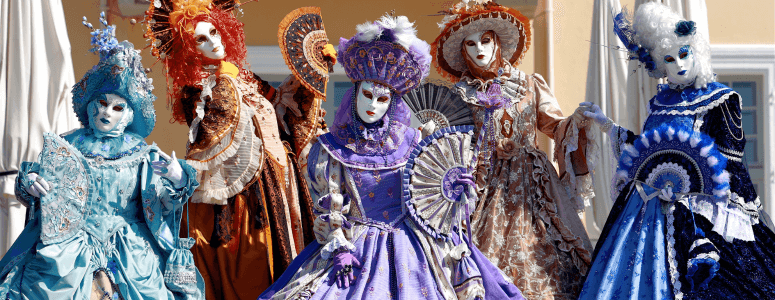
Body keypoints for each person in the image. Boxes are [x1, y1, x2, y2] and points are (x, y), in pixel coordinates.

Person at [258, 14, 524, 300]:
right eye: (368, 95)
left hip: (416, 247)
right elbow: (330, 210)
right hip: (355, 245)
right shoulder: (331, 149)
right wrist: (339, 246)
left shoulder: (413, 142)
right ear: (354, 93)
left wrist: (452, 187)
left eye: (382, 99)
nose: (373, 105)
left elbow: (426, 194)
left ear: (393, 103)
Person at [579, 2, 775, 299]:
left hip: (699, 210)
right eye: (669, 59)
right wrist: (607, 125)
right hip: (646, 207)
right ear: (659, 65)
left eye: (684, 54)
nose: (679, 64)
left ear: (696, 52)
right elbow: (645, 151)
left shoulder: (720, 100)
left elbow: (729, 164)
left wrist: (700, 196)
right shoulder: (660, 103)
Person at [0, 13, 203, 299]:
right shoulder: (65, 147)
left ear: (129, 114)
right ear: (90, 105)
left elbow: (163, 205)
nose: (107, 112)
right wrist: (31, 180)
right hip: (69, 248)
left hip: (131, 251)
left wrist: (178, 177)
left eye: (117, 108)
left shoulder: (143, 155)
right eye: (102, 103)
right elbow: (40, 192)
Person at [144, 1, 335, 298]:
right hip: (244, 195)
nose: (213, 42)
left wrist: (309, 75)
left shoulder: (243, 77)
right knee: (256, 266)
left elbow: (280, 108)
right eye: (200, 39)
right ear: (189, 49)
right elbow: (214, 129)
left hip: (282, 182)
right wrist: (226, 79)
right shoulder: (198, 88)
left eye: (214, 32)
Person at [430, 1, 597, 298]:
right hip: (483, 186)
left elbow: (554, 126)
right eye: (471, 44)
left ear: (497, 43)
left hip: (533, 185)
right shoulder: (460, 96)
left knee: (551, 254)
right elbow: (452, 144)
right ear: (463, 51)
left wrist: (576, 123)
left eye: (485, 41)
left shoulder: (529, 85)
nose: (480, 49)